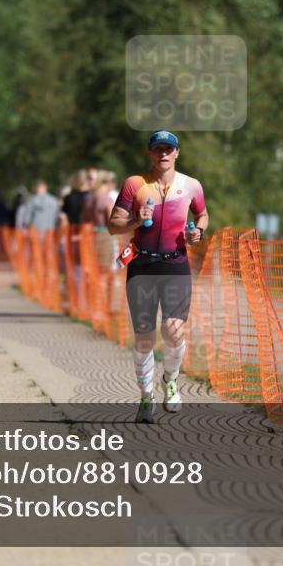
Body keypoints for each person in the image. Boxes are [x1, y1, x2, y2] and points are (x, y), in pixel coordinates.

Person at [108, 130, 208, 423]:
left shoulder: (191, 185)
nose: (163, 154)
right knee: (144, 337)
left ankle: (171, 380)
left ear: (177, 153)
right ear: (150, 154)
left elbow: (202, 214)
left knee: (174, 330)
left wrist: (197, 231)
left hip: (175, 265)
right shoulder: (135, 184)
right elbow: (114, 225)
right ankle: (145, 397)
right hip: (142, 267)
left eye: (169, 149)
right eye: (158, 149)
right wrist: (137, 219)